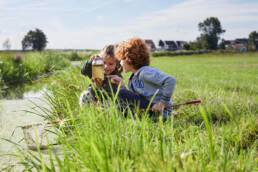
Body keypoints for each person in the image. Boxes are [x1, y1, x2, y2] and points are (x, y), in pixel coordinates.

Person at [108, 38, 176, 119]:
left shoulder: (145, 72)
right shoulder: (133, 78)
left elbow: (170, 80)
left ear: (128, 59)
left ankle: (116, 117)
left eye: (121, 60)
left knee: (122, 93)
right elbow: (133, 99)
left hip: (159, 111)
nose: (120, 63)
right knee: (122, 96)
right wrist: (122, 85)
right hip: (148, 108)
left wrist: (163, 103)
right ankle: (115, 115)